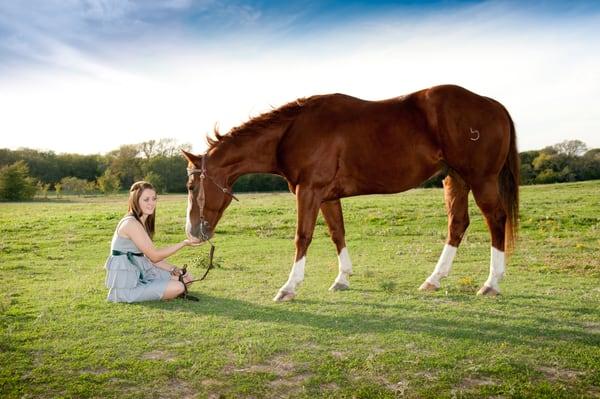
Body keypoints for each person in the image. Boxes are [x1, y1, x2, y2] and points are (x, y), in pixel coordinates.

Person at [104, 181, 200, 303]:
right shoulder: (131, 223)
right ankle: (165, 292)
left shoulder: (141, 222)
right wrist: (184, 243)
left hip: (142, 274)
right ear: (135, 201)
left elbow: (148, 258)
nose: (151, 203)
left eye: (154, 199)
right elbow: (154, 256)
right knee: (179, 286)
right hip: (128, 288)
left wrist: (174, 269)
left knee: (187, 278)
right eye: (146, 200)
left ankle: (163, 290)